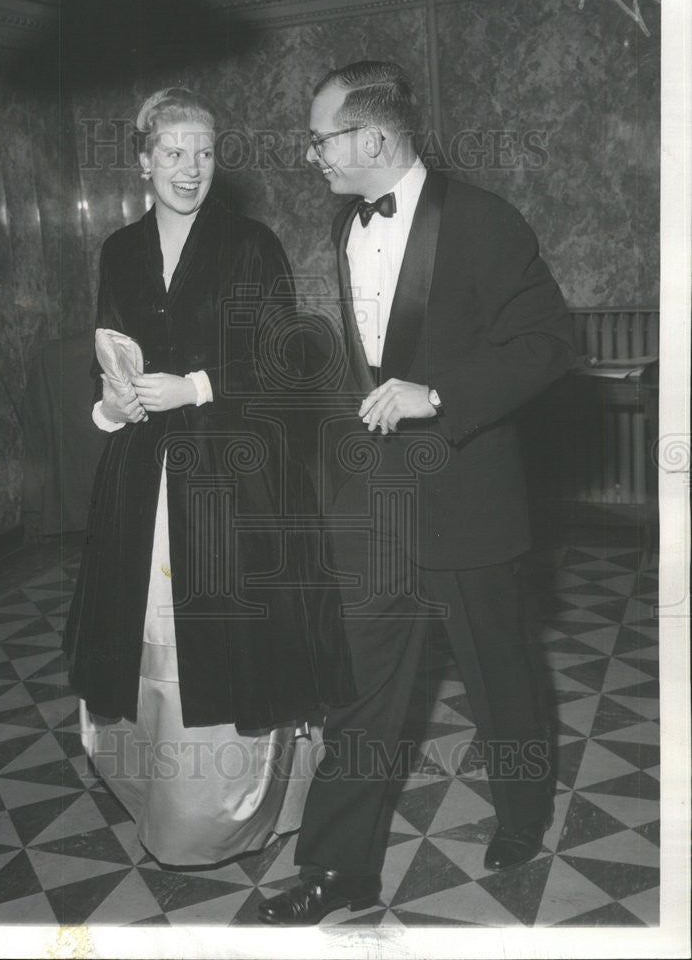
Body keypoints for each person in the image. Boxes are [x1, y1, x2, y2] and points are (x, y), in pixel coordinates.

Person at [258, 61, 576, 924]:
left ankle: (521, 814)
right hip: (375, 508)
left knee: (498, 673)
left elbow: (548, 343)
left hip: (468, 499)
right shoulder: (342, 226)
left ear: (374, 137)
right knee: (360, 692)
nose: (311, 153)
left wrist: (438, 396)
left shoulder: (482, 219)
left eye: (321, 137)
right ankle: (337, 871)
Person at [63, 86, 354, 866]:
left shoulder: (248, 241)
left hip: (233, 470)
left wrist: (194, 386)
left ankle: (227, 813)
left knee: (229, 643)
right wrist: (117, 400)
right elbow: (109, 348)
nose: (190, 169)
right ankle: (157, 797)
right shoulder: (118, 250)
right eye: (173, 153)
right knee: (145, 637)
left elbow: (285, 358)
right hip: (140, 473)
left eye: (204, 153)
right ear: (142, 159)